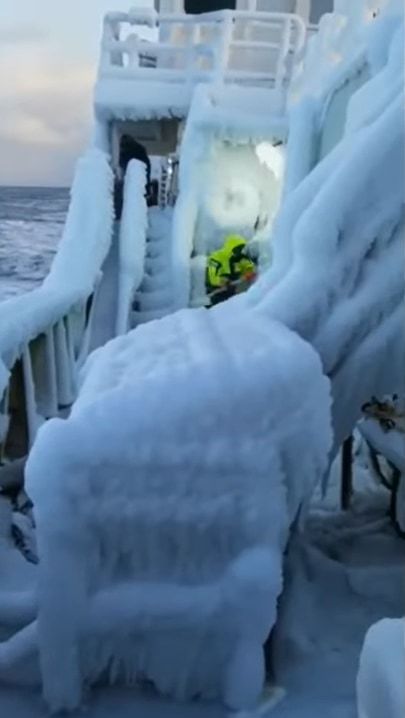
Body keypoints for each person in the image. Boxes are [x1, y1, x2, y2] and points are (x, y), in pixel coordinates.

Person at [206, 234, 257, 306]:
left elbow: (248, 265)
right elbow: (212, 277)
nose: (240, 251)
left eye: (241, 248)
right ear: (231, 247)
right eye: (237, 248)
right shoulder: (216, 257)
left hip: (233, 290)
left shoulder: (240, 258)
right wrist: (222, 281)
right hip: (217, 291)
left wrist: (248, 271)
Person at [114, 135, 152, 220]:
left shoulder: (128, 152)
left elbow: (122, 163)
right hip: (140, 180)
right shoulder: (140, 151)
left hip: (134, 179)